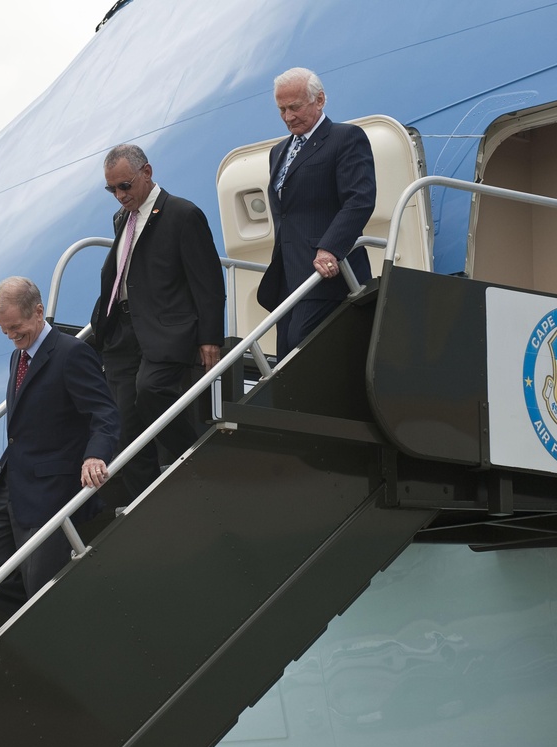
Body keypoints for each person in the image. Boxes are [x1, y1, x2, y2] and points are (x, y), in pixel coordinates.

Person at [0, 277, 120, 613]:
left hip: (50, 489)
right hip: (10, 481)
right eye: (4, 330)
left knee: (41, 585)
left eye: (16, 327)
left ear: (38, 312)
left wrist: (95, 455)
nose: (11, 336)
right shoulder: (17, 357)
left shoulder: (71, 353)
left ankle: (47, 614)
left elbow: (104, 412)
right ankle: (44, 614)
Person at [91, 144, 226, 500]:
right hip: (122, 334)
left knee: (150, 391)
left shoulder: (182, 214)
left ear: (147, 173)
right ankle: (142, 500)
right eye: (112, 190)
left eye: (125, 186)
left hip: (166, 330)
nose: (120, 196)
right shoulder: (123, 219)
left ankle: (197, 458)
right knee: (125, 426)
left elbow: (208, 280)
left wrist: (210, 336)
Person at [256, 67, 377, 361]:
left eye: (295, 107)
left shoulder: (345, 138)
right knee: (284, 354)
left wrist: (330, 248)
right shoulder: (278, 151)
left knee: (302, 349)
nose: (288, 117)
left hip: (325, 273)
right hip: (288, 274)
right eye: (281, 109)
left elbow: (359, 199)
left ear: (319, 100)